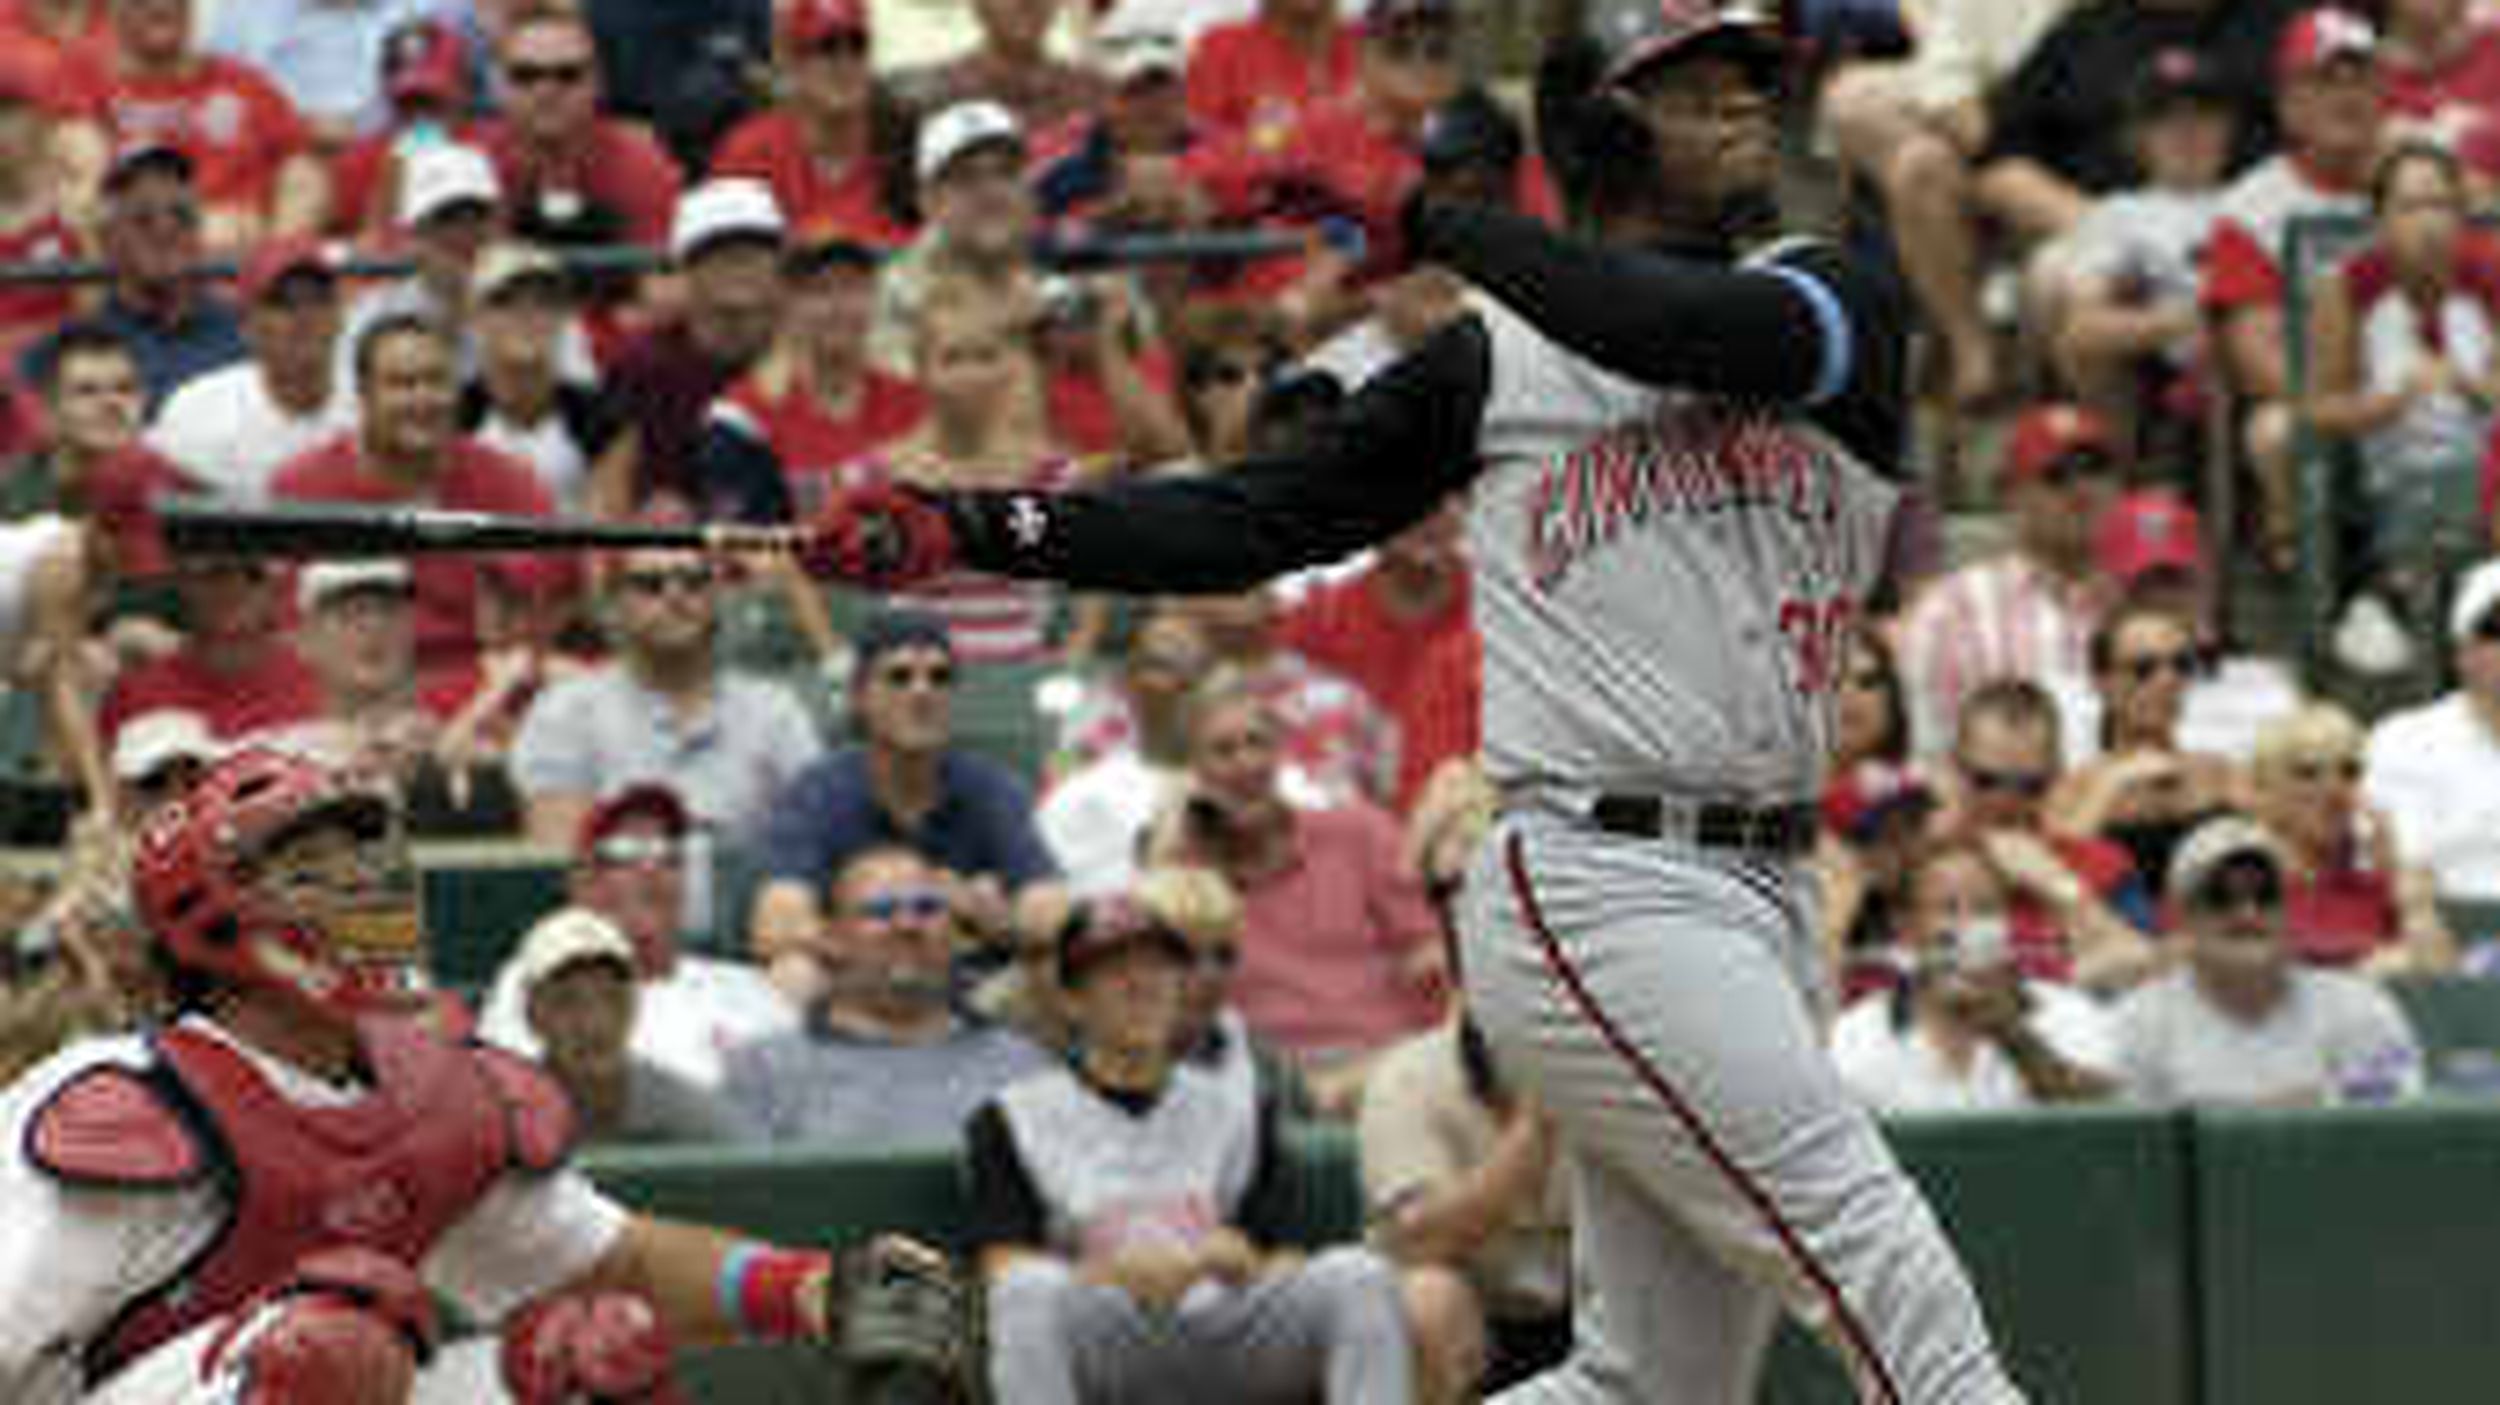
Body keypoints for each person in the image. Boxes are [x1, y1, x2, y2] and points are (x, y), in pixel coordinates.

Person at [784, 3, 2034, 1398]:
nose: (1743, 99)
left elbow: (1675, 323)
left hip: (1766, 890)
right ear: (1598, 126)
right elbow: (1244, 521)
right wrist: (972, 524)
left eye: (1751, 74)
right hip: (1599, 877)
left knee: (1651, 1384)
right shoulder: (1490, 364)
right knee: (1876, 1245)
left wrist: (1440, 224)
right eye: (1690, 82)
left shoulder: (1834, 300)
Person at [0, 746, 967, 1404]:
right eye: (310, 863)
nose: (363, 884)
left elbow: (609, 1262)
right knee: (331, 1337)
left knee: (598, 1345)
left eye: (367, 851)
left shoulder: (436, 1086)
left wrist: (803, 1286)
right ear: (208, 915)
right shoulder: (116, 1101)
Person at [964, 894, 1417, 1404]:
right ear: (1072, 999)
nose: (1142, 985)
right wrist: (1115, 1273)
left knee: (1358, 1276)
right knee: (1027, 1291)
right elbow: (1001, 1268)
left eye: (1158, 967)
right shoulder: (1013, 1115)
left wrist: (1238, 1259)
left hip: (1226, 1324)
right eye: (1114, 971)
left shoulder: (1237, 1105)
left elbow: (1282, 1253)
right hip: (1112, 1334)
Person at [506, 540, 825, 934]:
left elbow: (811, 846)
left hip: (749, 936)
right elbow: (556, 863)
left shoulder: (775, 711)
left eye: (693, 581)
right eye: (650, 584)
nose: (675, 596)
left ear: (718, 596)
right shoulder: (567, 711)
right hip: (611, 942)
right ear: (614, 605)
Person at [748, 607, 1064, 991]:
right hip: (857, 990)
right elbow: (774, 925)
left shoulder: (991, 786)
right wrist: (893, 927)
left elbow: (1053, 915)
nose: (922, 691)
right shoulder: (819, 791)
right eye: (899, 677)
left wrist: (982, 912)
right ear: (859, 698)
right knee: (793, 973)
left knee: (1051, 969)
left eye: (939, 677)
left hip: (972, 989)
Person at [272, 313, 571, 693]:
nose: (422, 399)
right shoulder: (301, 487)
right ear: (363, 395)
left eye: (436, 381)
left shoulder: (511, 482)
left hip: (481, 690)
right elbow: (286, 632)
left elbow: (539, 621)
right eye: (402, 384)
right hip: (345, 696)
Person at [724, 845, 1052, 1149]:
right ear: (832, 939)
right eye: (880, 912)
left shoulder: (1023, 1064)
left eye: (927, 909)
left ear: (957, 936)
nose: (908, 925)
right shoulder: (764, 1069)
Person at [476, 783, 799, 1090]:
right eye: (626, 852)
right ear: (582, 883)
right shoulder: (535, 984)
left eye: (669, 854)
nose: (651, 868)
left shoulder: (749, 991)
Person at [2111, 813, 2427, 1105]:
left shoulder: (2358, 1005)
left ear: (2290, 908)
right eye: (2220, 897)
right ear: (2181, 917)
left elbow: (2398, 1097)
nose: (2248, 914)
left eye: (2266, 895)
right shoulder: (2139, 1022)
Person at [1360, 1010, 1571, 1401]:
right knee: (1426, 1300)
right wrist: (1535, 1129)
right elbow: (1419, 1241)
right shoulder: (1409, 1076)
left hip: (1584, 1306)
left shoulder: (1603, 1071)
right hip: (1476, 1313)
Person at [1893, 402, 2121, 762]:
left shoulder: (2141, 596)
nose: (2082, 491)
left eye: (2096, 470)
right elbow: (1925, 751)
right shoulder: (1953, 608)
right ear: (2013, 493)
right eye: (2056, 475)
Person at [1828, 838, 2120, 1113]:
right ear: (1906, 927)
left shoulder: (2067, 1011)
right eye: (1947, 909)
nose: (1966, 926)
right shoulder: (1857, 1035)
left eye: (1985, 909)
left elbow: (2109, 1118)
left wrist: (2014, 1036)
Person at [507, 904, 749, 1147]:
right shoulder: (504, 1122)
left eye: (612, 998)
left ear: (634, 1007)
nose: (594, 1024)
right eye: (567, 1002)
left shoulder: (692, 1114)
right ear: (532, 1015)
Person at [2246, 702, 2456, 975]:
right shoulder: (2227, 884)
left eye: (2349, 772)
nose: (2334, 789)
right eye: (2307, 773)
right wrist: (2360, 973)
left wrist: (2411, 898)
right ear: (2263, 791)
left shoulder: (2383, 888)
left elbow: (2448, 985)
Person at [145, 236, 355, 503]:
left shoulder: (373, 403)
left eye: (319, 300)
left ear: (342, 316)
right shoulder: (199, 409)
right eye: (282, 303)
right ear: (246, 326)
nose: (305, 316)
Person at [2361, 556, 2500, 902]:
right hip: (2439, 932)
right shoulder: (2402, 740)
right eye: (2494, 630)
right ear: (2461, 652)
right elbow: (2385, 862)